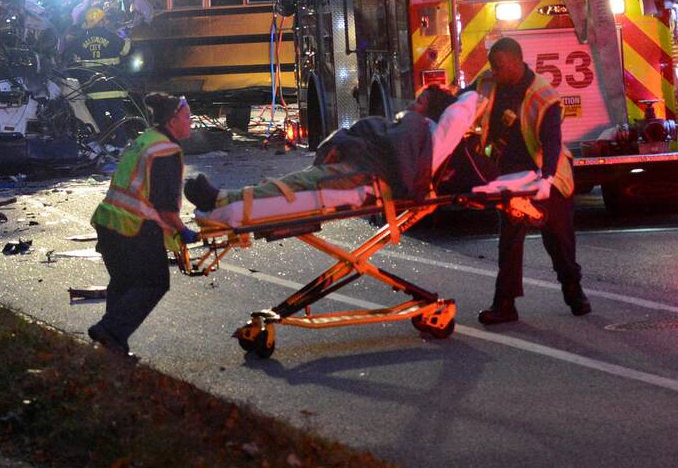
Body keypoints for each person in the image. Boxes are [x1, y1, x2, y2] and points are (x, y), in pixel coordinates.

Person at [184, 84, 485, 220]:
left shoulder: (420, 129)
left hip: (363, 177)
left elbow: (399, 155)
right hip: (358, 168)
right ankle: (228, 198)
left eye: (418, 102)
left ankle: (225, 200)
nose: (410, 105)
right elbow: (375, 137)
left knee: (297, 186)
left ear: (428, 110)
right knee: (297, 182)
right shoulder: (416, 129)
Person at [474, 37, 590, 324]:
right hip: (511, 178)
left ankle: (573, 289)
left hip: (545, 176)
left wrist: (546, 179)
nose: (494, 71)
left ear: (516, 61)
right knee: (510, 239)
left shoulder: (543, 96)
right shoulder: (489, 82)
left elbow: (552, 141)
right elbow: (465, 100)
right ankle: (505, 304)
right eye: (492, 66)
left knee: (559, 240)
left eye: (499, 66)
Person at [88, 93, 200, 360]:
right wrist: (183, 231)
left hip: (108, 220)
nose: (191, 123)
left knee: (124, 284)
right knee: (153, 283)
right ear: (173, 120)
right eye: (187, 117)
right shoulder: (166, 151)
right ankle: (110, 331)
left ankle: (112, 345)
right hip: (133, 226)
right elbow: (165, 208)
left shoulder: (145, 140)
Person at [64, 6, 132, 145]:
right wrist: (127, 37)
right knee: (118, 117)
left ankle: (103, 145)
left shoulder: (80, 40)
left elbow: (73, 61)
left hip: (94, 88)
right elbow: (125, 51)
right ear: (101, 21)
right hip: (114, 86)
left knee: (98, 119)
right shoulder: (112, 37)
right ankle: (121, 143)